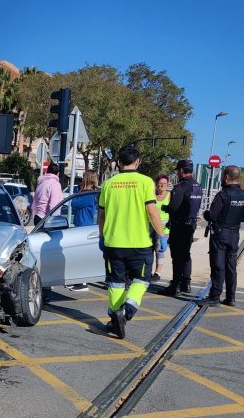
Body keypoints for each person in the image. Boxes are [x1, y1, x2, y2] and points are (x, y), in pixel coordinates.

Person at [99, 145, 164, 339]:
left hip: (113, 243)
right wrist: (161, 235)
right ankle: (126, 312)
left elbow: (101, 215)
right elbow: (152, 211)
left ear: (119, 162)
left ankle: (114, 320)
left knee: (115, 283)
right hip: (139, 244)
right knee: (141, 280)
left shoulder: (109, 184)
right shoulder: (145, 182)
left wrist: (102, 237)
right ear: (138, 161)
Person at [197, 166, 244, 307]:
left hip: (220, 234)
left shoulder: (223, 195)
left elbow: (212, 215)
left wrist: (206, 214)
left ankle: (214, 296)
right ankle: (231, 297)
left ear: (226, 177)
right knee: (231, 265)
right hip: (234, 234)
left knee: (218, 265)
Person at [159, 159, 203, 297]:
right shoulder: (198, 186)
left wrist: (164, 207)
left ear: (182, 171)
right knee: (186, 254)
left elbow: (173, 207)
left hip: (180, 225)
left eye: (178, 170)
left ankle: (175, 285)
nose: (177, 173)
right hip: (191, 224)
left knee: (177, 256)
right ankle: (186, 283)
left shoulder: (181, 187)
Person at [67, 170, 99, 291]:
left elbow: (74, 203)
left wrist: (80, 191)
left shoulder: (89, 195)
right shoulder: (86, 193)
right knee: (77, 254)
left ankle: (83, 282)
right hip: (81, 225)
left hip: (84, 227)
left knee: (82, 255)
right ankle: (78, 280)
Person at [152, 174, 170, 282]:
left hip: (164, 227)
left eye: (165, 183)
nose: (162, 185)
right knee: (148, 249)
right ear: (156, 184)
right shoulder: (152, 195)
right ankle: (147, 271)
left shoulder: (169, 196)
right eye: (160, 183)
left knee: (159, 249)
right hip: (151, 225)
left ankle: (157, 273)